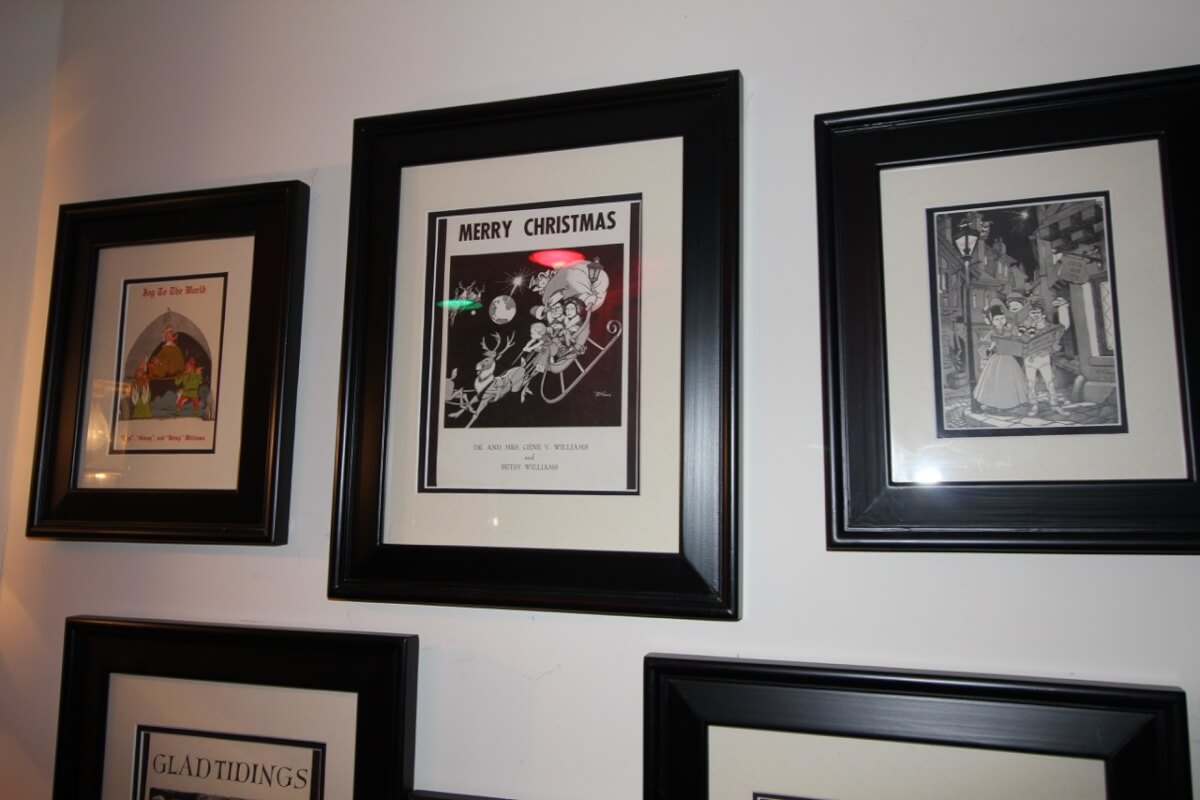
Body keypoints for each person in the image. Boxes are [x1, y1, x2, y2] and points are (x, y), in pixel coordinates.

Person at [973, 304, 1028, 411]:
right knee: (997, 380)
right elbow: (982, 348)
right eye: (997, 319)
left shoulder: (1010, 330)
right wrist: (991, 347)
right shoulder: (991, 333)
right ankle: (996, 403)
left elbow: (1017, 339)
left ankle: (1011, 402)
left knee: (1010, 381)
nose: (1000, 321)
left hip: (1009, 358)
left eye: (1002, 318)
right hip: (997, 359)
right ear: (992, 321)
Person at [1021, 299, 1065, 415]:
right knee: (1030, 384)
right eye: (1032, 313)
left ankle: (1054, 405)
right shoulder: (1024, 327)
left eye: (1038, 312)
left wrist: (1050, 349)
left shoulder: (1051, 328)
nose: (1035, 315)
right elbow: (1022, 342)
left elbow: (1056, 342)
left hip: (1044, 358)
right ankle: (1034, 405)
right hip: (1030, 359)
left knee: (1050, 383)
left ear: (1043, 314)